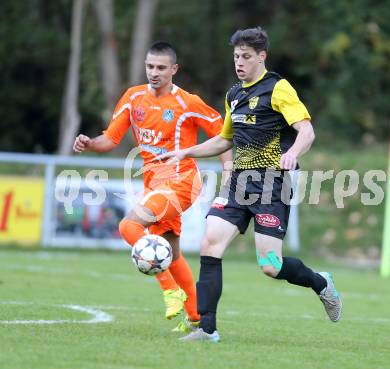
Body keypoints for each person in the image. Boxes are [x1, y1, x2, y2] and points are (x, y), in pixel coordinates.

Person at [155, 27, 342, 342]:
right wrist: (187, 151)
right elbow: (225, 139)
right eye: (236, 57)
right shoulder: (234, 94)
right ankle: (207, 329)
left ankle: (320, 283)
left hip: (272, 185)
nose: (239, 62)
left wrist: (293, 153)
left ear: (261, 57)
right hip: (238, 184)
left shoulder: (278, 89)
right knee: (209, 243)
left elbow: (306, 130)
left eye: (245, 57)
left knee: (270, 265)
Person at [73, 41, 232, 332]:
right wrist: (90, 143)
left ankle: (170, 291)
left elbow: (223, 132)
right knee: (171, 252)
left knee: (127, 227)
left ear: (174, 69)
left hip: (182, 181)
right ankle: (197, 317)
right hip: (154, 183)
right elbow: (110, 139)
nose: (154, 72)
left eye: (161, 67)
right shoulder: (133, 98)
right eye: (150, 66)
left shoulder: (188, 103)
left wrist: (229, 170)